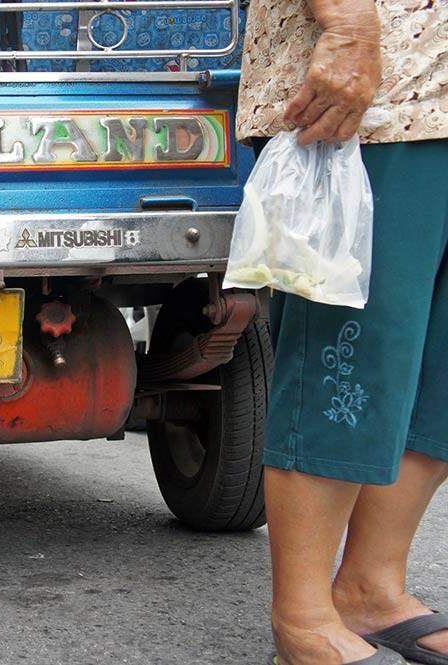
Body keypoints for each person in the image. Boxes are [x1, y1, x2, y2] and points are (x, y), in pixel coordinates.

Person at [235, 0, 448, 663]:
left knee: (438, 369)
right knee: (357, 358)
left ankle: (371, 587)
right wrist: (350, 25)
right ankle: (301, 615)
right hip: (388, 99)